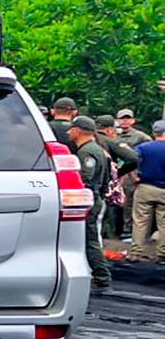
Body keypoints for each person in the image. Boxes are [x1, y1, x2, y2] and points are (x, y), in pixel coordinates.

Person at [67, 116, 112, 291]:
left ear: (78, 130)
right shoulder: (98, 150)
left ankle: (102, 276)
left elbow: (85, 178)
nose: (68, 132)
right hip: (95, 197)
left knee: (89, 239)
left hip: (88, 200)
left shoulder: (86, 152)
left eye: (71, 129)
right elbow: (106, 178)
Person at [94, 114, 138, 238]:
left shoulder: (85, 139)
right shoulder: (110, 142)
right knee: (102, 214)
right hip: (104, 183)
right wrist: (117, 174)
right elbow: (133, 159)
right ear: (110, 129)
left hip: (83, 182)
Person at [129, 119, 165, 264]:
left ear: (154, 132)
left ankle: (135, 253)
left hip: (145, 187)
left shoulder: (143, 147)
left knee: (140, 221)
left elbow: (130, 162)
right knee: (164, 223)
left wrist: (134, 178)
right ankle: (162, 254)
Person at [115, 109, 151, 239]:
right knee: (114, 202)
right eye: (122, 118)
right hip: (115, 172)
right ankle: (112, 230)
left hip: (132, 173)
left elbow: (149, 152)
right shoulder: (113, 135)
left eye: (128, 118)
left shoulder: (141, 137)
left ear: (133, 120)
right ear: (117, 120)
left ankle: (129, 229)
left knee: (129, 202)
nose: (125, 121)